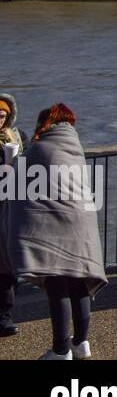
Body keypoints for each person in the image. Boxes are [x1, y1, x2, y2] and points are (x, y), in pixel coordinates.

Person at [5, 105, 107, 359]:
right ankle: (81, 343)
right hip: (82, 226)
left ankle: (61, 351)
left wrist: (14, 159)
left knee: (57, 286)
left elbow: (15, 181)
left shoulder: (39, 148)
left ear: (44, 123)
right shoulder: (75, 149)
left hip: (54, 229)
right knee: (80, 283)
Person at [0, 93, 24, 338]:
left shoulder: (17, 136)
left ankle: (4, 315)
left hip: (10, 203)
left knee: (8, 261)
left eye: (3, 115)